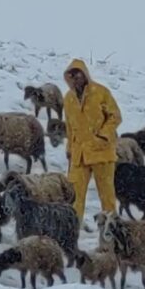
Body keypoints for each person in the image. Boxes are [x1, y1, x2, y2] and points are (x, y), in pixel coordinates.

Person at [60, 59, 121, 234]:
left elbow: (115, 116)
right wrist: (69, 149)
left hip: (101, 152)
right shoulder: (68, 99)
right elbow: (69, 126)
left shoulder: (101, 92)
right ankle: (72, 233)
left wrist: (103, 135)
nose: (76, 78)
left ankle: (111, 233)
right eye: (72, 75)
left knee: (107, 196)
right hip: (79, 155)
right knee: (74, 196)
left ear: (85, 74)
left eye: (78, 74)